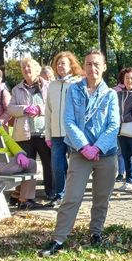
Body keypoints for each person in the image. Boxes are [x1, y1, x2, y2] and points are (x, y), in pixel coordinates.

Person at [40, 49, 120, 256]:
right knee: (72, 197)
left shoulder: (111, 94)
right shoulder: (74, 90)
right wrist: (85, 147)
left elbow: (113, 125)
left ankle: (96, 233)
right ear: (83, 67)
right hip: (80, 153)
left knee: (102, 197)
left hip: (106, 154)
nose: (92, 68)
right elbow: (69, 121)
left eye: (96, 64)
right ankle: (58, 239)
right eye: (88, 64)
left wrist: (97, 148)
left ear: (104, 67)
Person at [8, 57, 54, 201]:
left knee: (49, 164)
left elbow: (54, 106)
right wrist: (25, 109)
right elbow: (10, 109)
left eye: (29, 67)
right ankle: (27, 197)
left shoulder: (49, 86)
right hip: (25, 133)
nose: (26, 70)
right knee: (27, 166)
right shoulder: (16, 89)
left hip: (44, 132)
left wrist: (39, 109)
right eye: (23, 68)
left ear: (36, 69)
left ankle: (51, 192)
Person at [45, 51, 84, 206]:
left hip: (73, 133)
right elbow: (48, 111)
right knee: (57, 166)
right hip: (56, 134)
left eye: (64, 63)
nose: (60, 66)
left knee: (75, 166)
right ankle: (59, 195)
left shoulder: (78, 83)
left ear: (71, 66)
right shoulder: (52, 85)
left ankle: (73, 196)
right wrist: (48, 135)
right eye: (58, 63)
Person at [113, 68, 129, 183]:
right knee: (119, 150)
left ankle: (130, 174)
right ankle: (121, 172)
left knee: (130, 151)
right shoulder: (114, 91)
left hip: (131, 125)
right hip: (118, 125)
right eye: (126, 77)